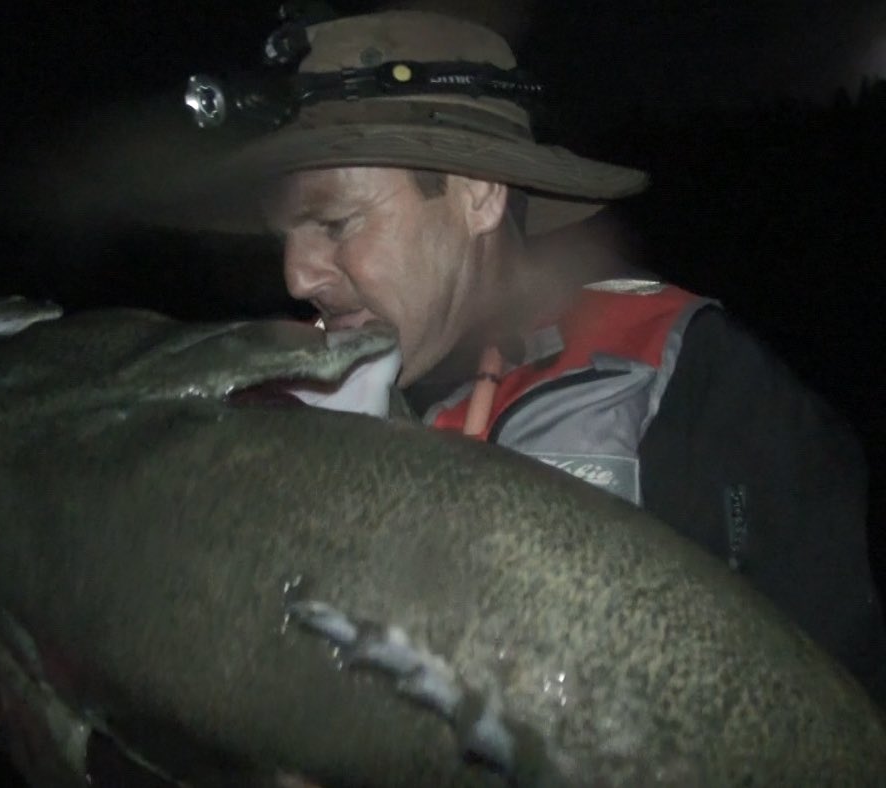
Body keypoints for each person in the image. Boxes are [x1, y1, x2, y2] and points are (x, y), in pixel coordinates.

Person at [152, 8, 886, 699]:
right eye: (284, 237)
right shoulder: (285, 412)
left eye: (336, 223)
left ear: (477, 195)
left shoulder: (686, 384)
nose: (296, 275)